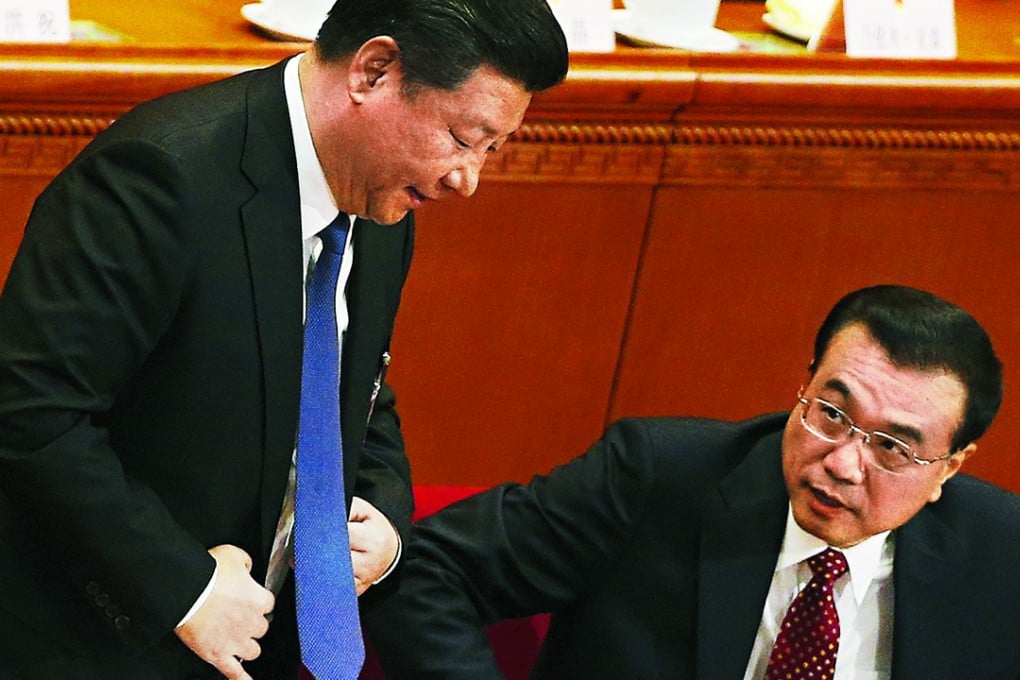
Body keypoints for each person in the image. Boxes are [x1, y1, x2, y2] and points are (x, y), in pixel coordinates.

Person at [0, 1, 568, 678]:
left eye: (492, 149)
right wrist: (185, 586)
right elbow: (31, 414)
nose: (466, 179)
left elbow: (355, 388)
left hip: (260, 644)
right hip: (99, 643)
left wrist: (384, 516)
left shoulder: (383, 202)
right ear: (374, 70)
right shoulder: (157, 177)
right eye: (460, 136)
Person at [365, 285, 1020, 680]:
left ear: (950, 468)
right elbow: (429, 567)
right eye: (831, 412)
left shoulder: (1000, 554)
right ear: (805, 384)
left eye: (893, 446)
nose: (843, 462)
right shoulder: (659, 476)